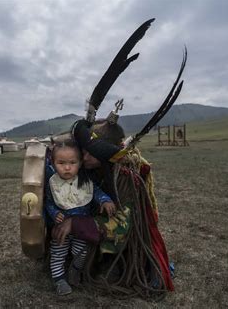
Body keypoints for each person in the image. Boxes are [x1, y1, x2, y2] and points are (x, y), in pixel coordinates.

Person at [51, 118, 174, 299]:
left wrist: (75, 224)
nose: (84, 158)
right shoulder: (85, 165)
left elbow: (120, 227)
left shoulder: (126, 177)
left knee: (109, 272)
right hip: (85, 228)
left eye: (91, 153)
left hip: (120, 243)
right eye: (84, 151)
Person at [45, 139, 116, 295]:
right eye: (61, 163)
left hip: (81, 229)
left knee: (82, 251)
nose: (67, 167)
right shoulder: (53, 183)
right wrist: (54, 213)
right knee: (58, 252)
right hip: (61, 227)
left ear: (80, 163)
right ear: (53, 162)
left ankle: (75, 270)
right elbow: (48, 203)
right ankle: (59, 280)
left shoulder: (85, 180)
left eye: (72, 162)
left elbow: (96, 192)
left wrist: (105, 200)